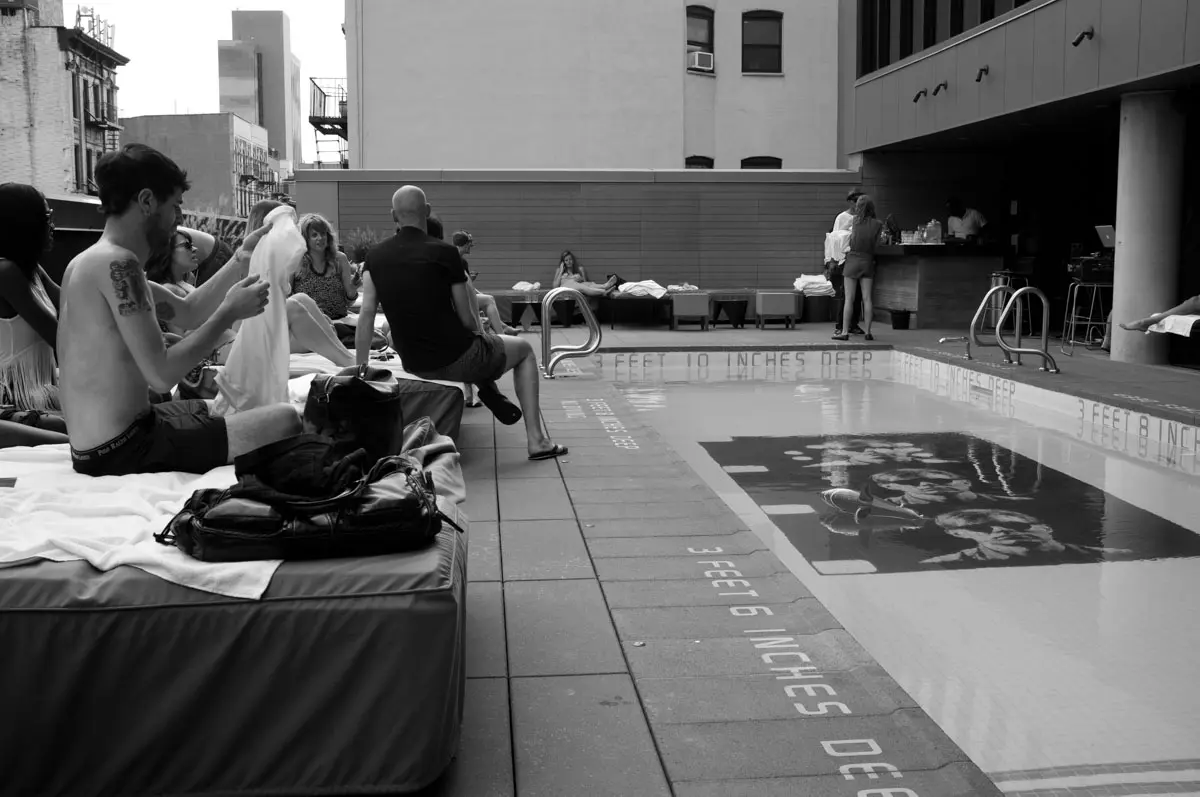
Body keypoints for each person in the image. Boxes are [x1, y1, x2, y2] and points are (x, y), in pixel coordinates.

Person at [57, 143, 302, 476]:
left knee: (236, 403)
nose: (179, 220)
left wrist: (239, 259)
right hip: (124, 450)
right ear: (146, 201)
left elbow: (188, 312)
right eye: (174, 206)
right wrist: (229, 313)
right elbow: (161, 376)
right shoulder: (120, 265)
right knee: (285, 418)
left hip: (111, 440)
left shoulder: (87, 262)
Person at [356, 185, 566, 461]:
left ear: (393, 215)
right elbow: (467, 319)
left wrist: (361, 370)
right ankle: (537, 440)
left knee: (452, 344)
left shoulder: (375, 257)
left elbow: (367, 315)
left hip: (413, 361)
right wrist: (483, 338)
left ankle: (485, 384)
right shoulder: (446, 254)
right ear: (427, 211)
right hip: (453, 357)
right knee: (524, 350)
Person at [0, 183, 69, 446]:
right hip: (12, 399)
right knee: (84, 426)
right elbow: (60, 339)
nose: (52, 226)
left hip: (40, 390)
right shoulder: (5, 273)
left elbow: (76, 305)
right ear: (24, 225)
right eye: (47, 217)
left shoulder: (33, 270)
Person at [833, 195, 883, 342]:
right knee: (867, 299)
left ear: (859, 207)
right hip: (867, 260)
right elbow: (877, 246)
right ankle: (868, 332)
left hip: (852, 260)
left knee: (849, 298)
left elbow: (841, 236)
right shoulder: (878, 224)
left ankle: (844, 332)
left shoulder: (854, 221)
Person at [290, 213, 360, 321]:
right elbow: (287, 300)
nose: (320, 238)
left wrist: (353, 289)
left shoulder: (340, 259)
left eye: (323, 233)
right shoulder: (295, 261)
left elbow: (349, 303)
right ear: (305, 239)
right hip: (308, 323)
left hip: (340, 322)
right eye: (314, 235)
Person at [453, 230, 518, 336]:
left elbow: (464, 284)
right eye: (470, 244)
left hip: (457, 294)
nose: (471, 247)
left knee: (485, 298)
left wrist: (472, 283)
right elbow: (464, 285)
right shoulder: (459, 261)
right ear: (465, 244)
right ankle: (502, 334)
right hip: (457, 298)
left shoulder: (456, 259)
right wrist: (470, 280)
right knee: (488, 300)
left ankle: (504, 328)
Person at [829, 188, 865, 335]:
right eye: (856, 201)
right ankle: (840, 325)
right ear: (850, 202)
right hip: (845, 258)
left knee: (858, 294)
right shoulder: (842, 218)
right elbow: (834, 240)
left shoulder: (863, 217)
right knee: (846, 294)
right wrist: (833, 259)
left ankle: (853, 324)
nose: (858, 204)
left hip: (859, 257)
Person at [552, 250, 619, 297]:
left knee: (589, 284)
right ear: (563, 262)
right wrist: (561, 271)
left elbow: (585, 282)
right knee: (580, 286)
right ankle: (603, 292)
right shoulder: (559, 270)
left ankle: (605, 286)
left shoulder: (577, 270)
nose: (569, 262)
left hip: (576, 287)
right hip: (565, 288)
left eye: (570, 259)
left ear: (573, 260)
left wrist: (580, 279)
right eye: (566, 260)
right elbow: (555, 286)